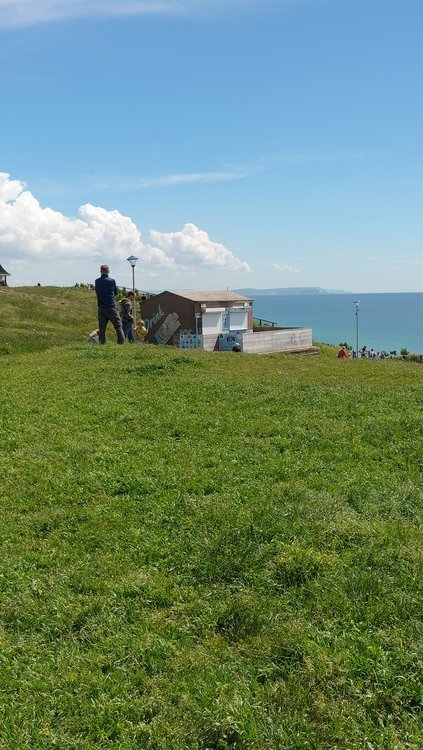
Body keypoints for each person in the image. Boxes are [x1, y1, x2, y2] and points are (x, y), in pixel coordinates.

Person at [94, 264, 125, 344]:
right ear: (108, 271)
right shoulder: (112, 281)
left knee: (102, 327)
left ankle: (102, 342)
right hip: (111, 307)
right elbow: (116, 292)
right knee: (118, 325)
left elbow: (97, 291)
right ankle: (121, 342)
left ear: (100, 271)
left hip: (101, 307)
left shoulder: (97, 281)